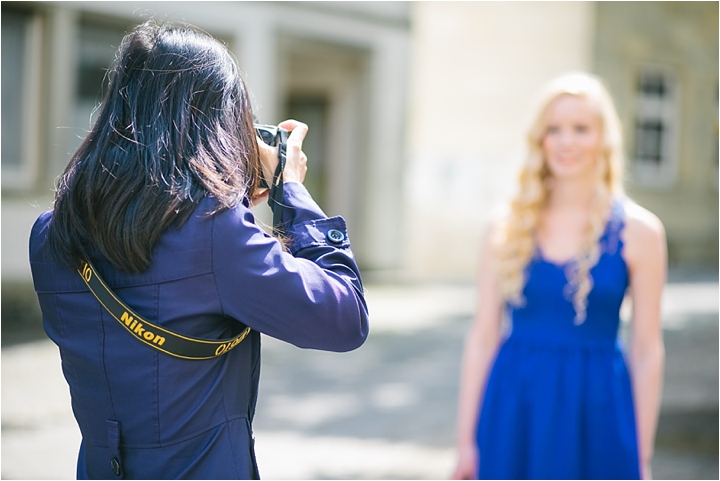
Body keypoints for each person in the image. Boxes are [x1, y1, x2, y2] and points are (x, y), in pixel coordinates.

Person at [29, 20, 368, 480]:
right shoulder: (215, 233)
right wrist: (289, 187)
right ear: (214, 125)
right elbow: (344, 319)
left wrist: (231, 200)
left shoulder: (50, 236)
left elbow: (162, 271)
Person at [452, 72, 666, 480]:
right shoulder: (505, 226)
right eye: (554, 129)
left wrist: (642, 455)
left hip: (599, 406)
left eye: (581, 129)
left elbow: (646, 350)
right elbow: (482, 339)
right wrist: (466, 442)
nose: (566, 142)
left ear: (603, 138)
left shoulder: (642, 232)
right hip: (515, 404)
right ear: (540, 139)